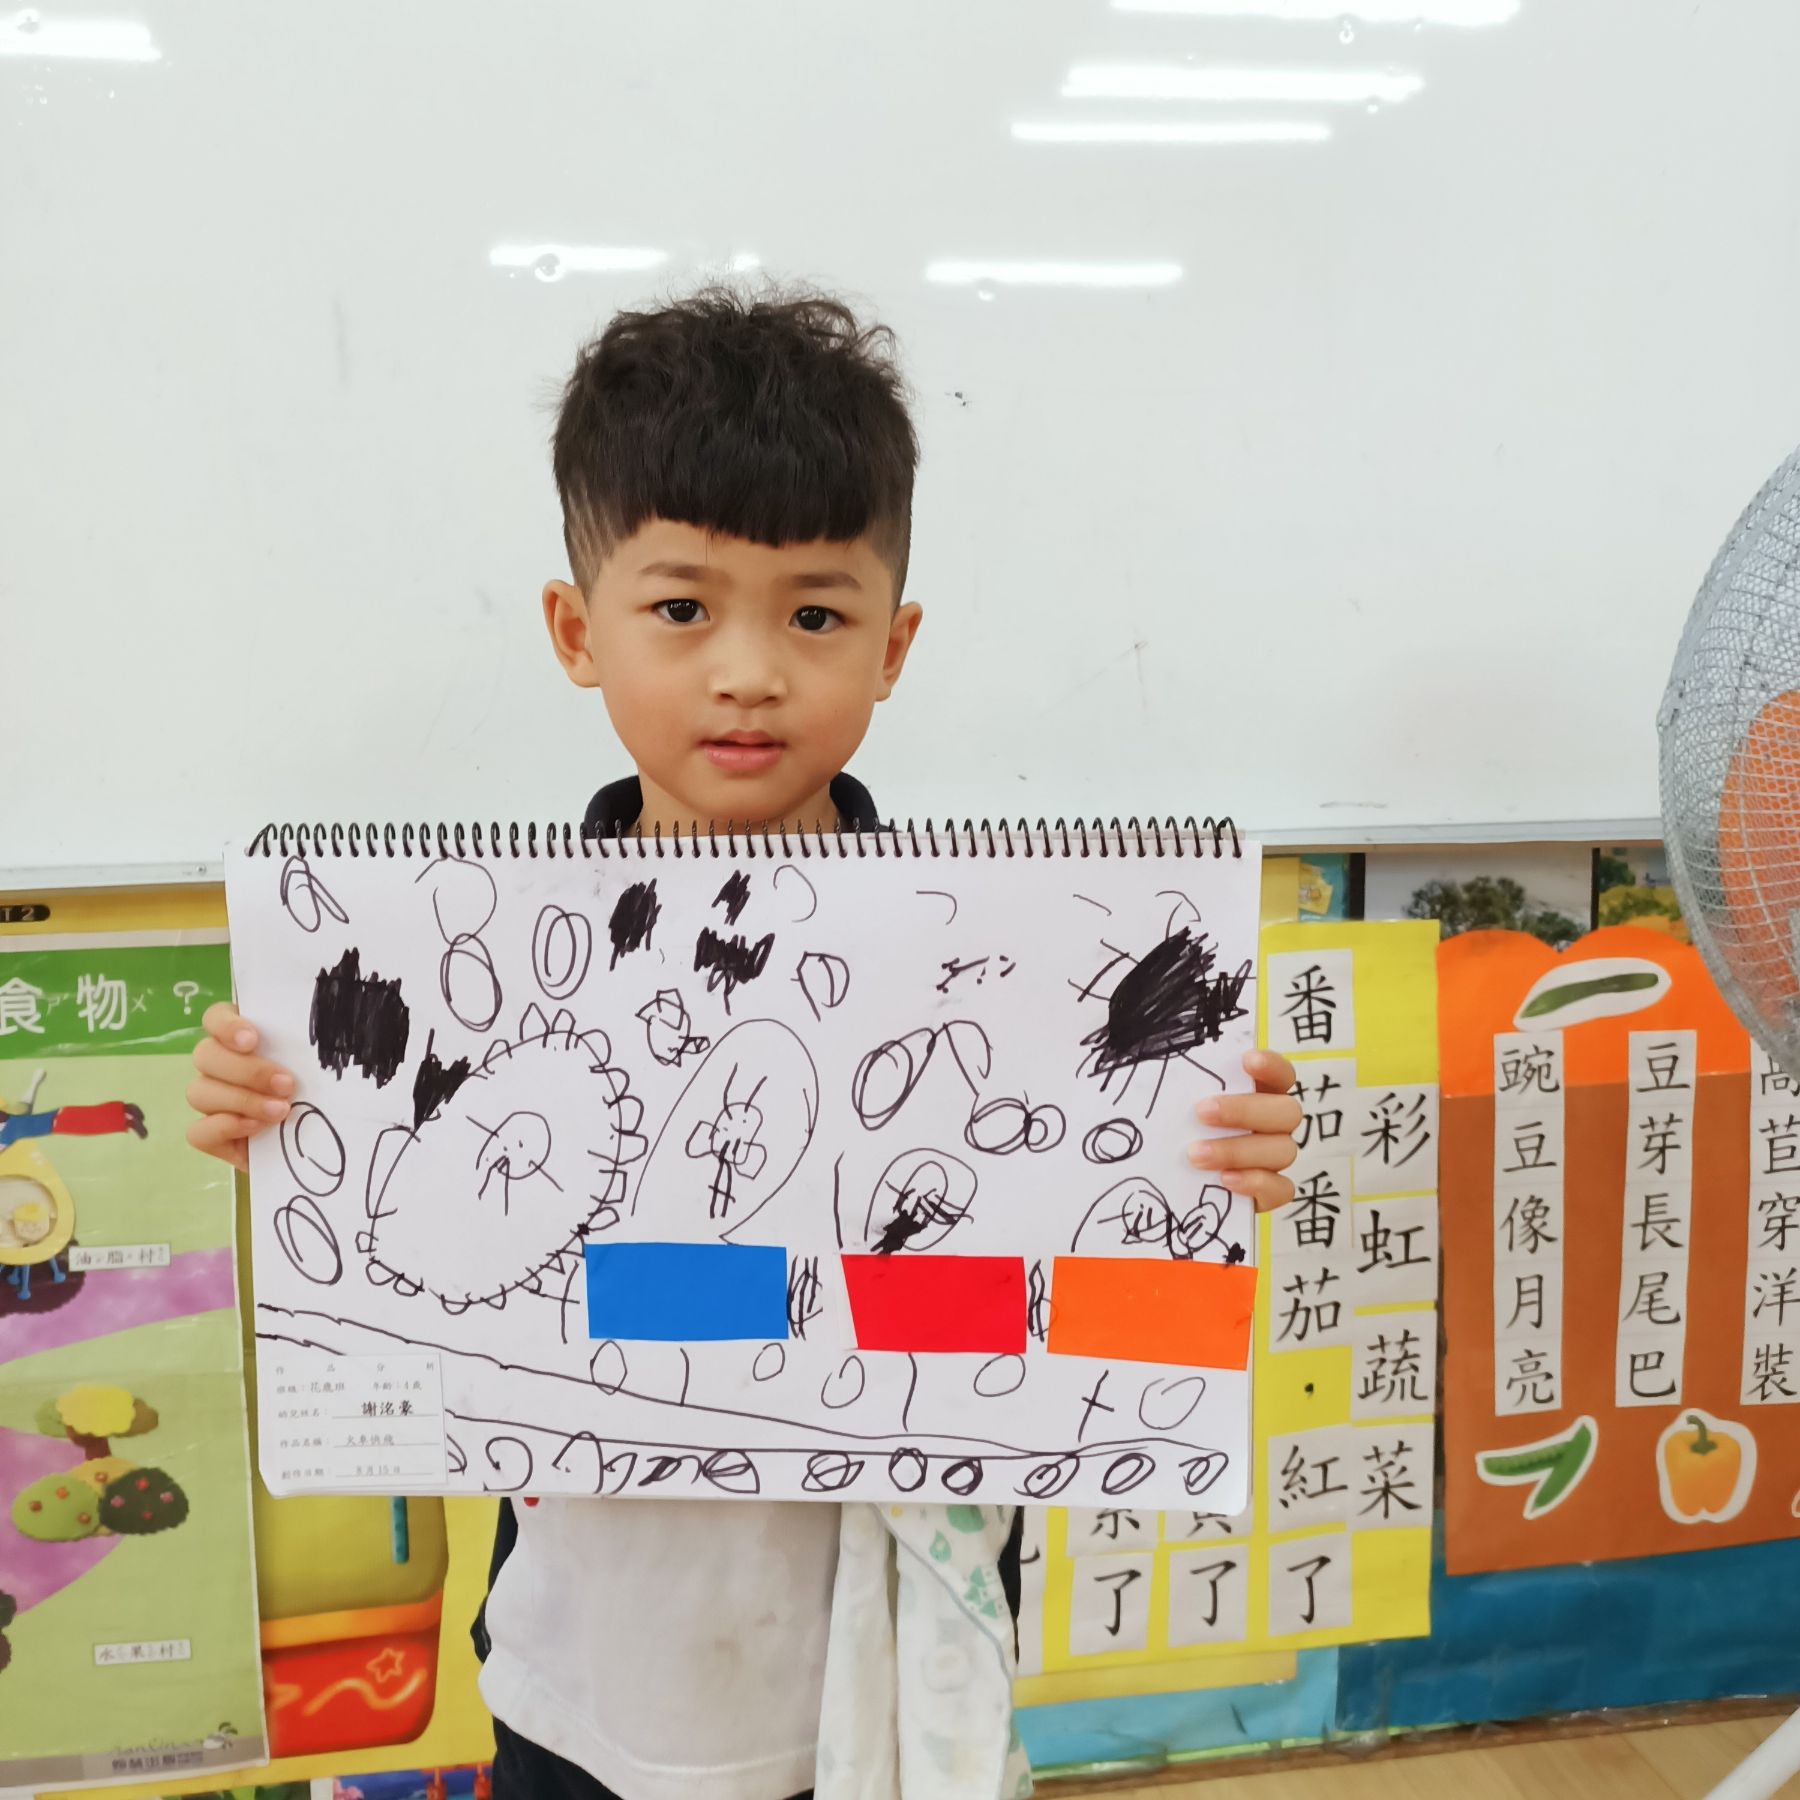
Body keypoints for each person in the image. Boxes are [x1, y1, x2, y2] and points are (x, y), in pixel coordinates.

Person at [185, 286, 1303, 1800]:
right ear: (576, 632)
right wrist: (279, 1114)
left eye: (816, 615)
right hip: (580, 1669)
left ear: (894, 645)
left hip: (874, 1676)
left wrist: (1205, 1156)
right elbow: (411, 1265)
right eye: (683, 609)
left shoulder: (1014, 981)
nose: (750, 671)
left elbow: (1078, 1296)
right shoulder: (466, 983)